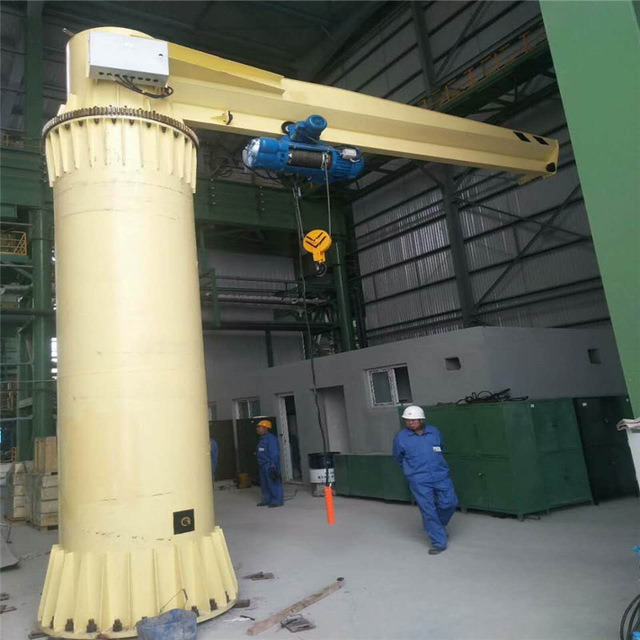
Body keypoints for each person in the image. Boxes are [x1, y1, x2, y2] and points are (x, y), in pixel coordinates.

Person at [393, 405, 458, 555]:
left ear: (422, 419)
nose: (410, 423)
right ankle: (439, 542)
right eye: (408, 420)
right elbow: (398, 457)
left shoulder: (434, 432)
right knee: (428, 510)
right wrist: (412, 471)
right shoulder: (401, 438)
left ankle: (437, 527)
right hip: (419, 479)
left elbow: (441, 447)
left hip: (440, 475)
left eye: (414, 420)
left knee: (450, 502)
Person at [255, 419, 284, 508]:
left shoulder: (271, 439)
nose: (257, 429)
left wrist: (273, 464)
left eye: (259, 427)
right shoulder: (262, 439)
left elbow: (274, 453)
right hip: (263, 464)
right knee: (264, 484)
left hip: (269, 464)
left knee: (273, 482)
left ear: (265, 428)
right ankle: (266, 500)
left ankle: (277, 500)